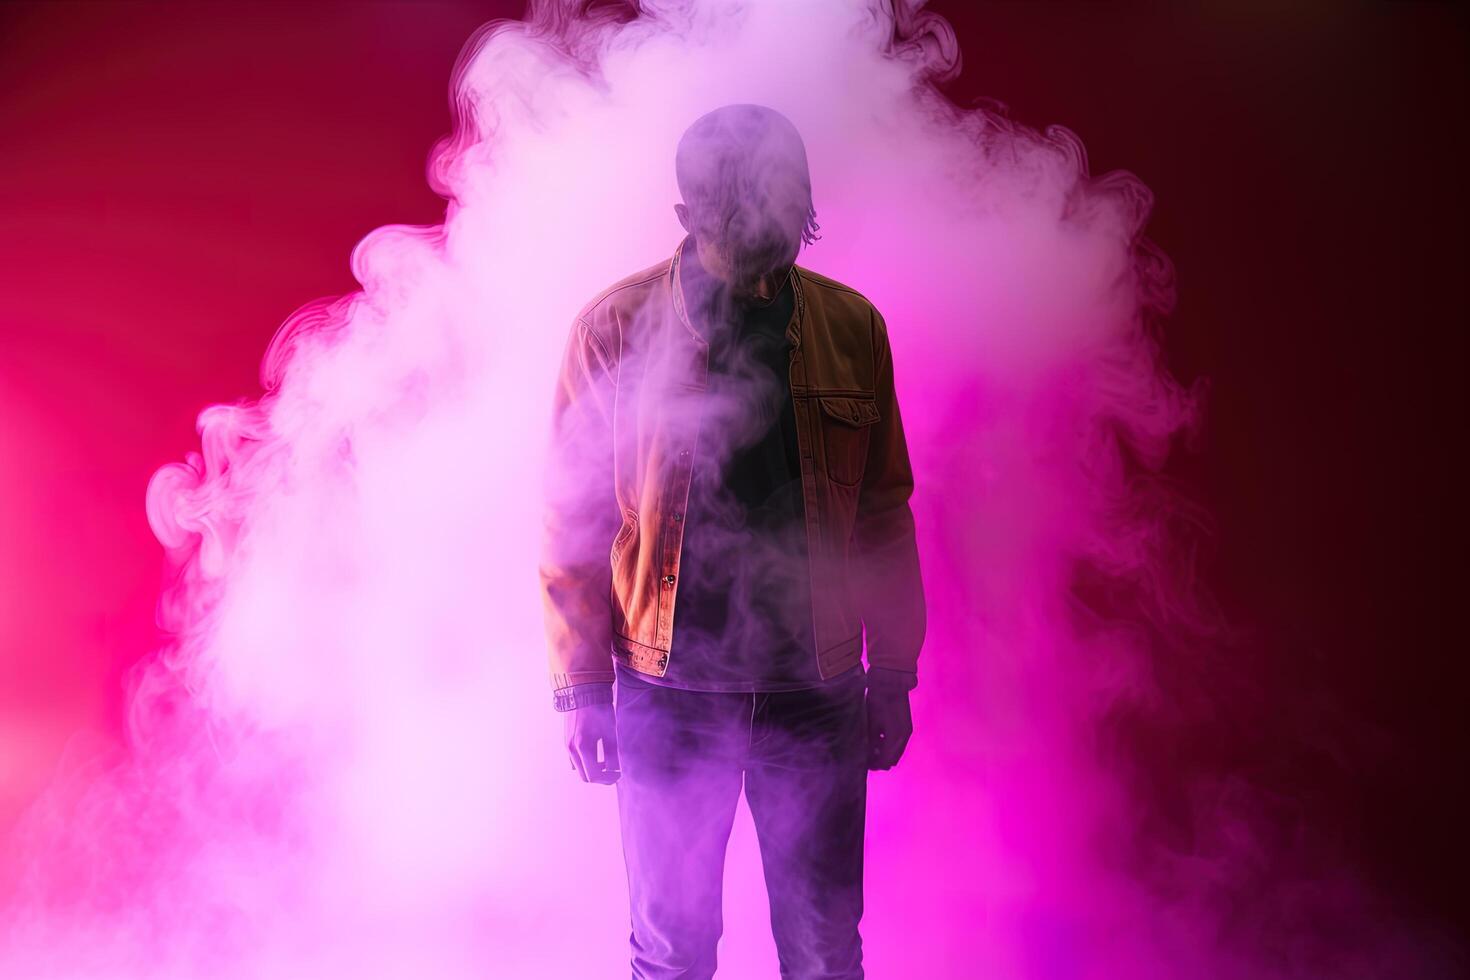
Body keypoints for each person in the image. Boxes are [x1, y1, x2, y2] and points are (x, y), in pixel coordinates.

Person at [539, 103, 926, 979]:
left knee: (826, 952)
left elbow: (882, 512)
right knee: (673, 954)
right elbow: (574, 516)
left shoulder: (853, 330)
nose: (770, 250)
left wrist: (895, 672)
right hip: (667, 696)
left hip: (817, 693)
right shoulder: (612, 332)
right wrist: (582, 689)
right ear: (689, 218)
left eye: (787, 216)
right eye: (746, 224)